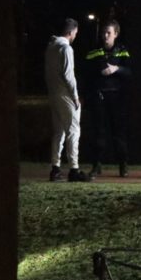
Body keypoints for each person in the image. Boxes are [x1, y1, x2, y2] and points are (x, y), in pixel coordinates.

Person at [83, 20, 133, 177]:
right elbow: (86, 74)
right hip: (99, 97)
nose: (105, 36)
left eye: (108, 33)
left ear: (116, 34)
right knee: (98, 133)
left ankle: (123, 165)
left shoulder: (122, 51)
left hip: (117, 98)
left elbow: (130, 72)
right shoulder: (94, 51)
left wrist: (116, 69)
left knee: (119, 133)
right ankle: (96, 165)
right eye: (103, 32)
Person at [44, 18, 90, 182]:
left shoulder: (51, 47)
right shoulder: (66, 48)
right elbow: (69, 75)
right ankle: (74, 169)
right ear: (71, 32)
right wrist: (75, 96)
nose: (75, 36)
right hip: (65, 94)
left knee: (59, 132)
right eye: (75, 33)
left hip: (53, 93)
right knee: (73, 130)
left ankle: (55, 168)